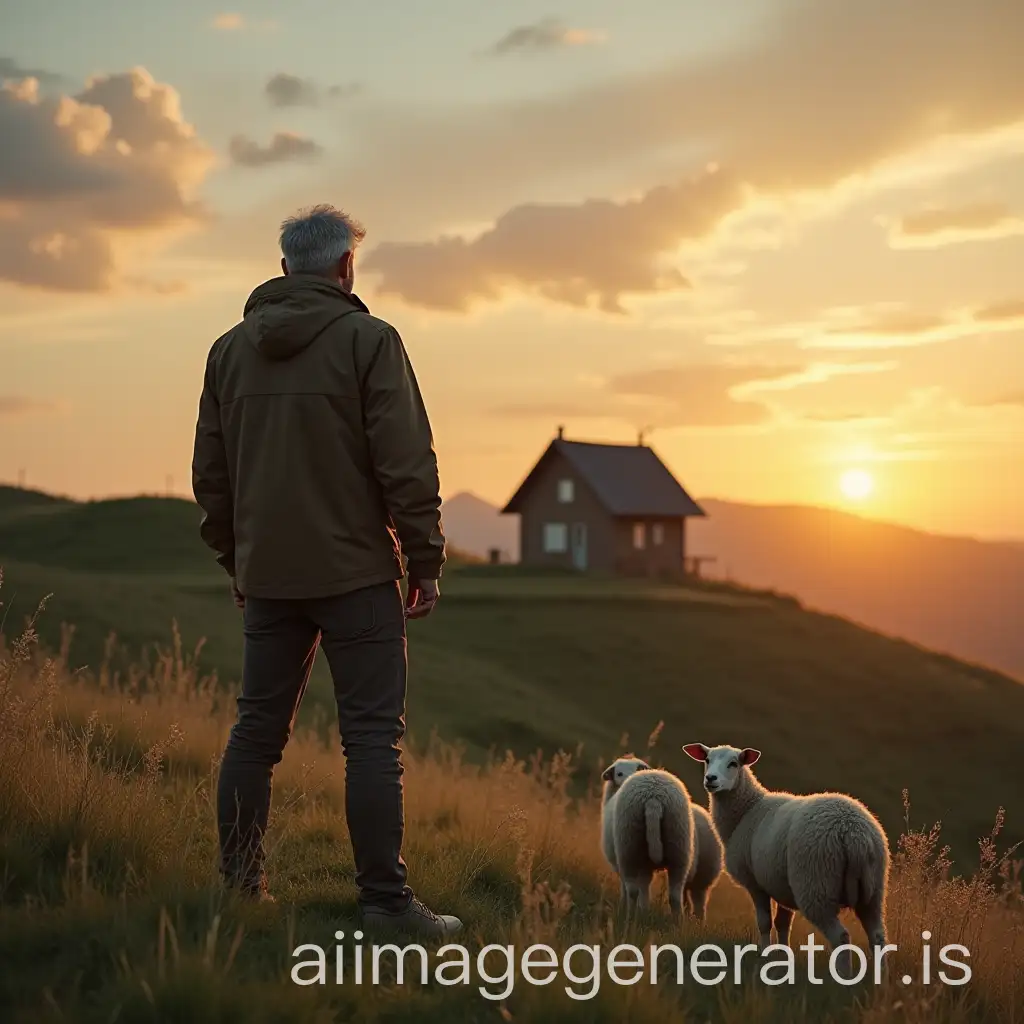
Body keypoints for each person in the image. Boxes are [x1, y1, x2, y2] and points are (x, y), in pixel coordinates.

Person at [191, 203, 461, 936]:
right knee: (371, 742)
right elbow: (406, 462)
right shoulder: (369, 341)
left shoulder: (226, 351)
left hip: (269, 580)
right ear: (346, 268)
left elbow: (210, 480)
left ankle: (239, 891)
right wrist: (425, 558)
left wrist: (239, 561)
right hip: (356, 577)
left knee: (254, 735)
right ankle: (384, 905)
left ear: (284, 271)